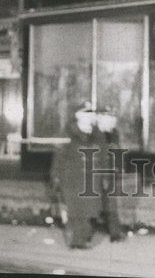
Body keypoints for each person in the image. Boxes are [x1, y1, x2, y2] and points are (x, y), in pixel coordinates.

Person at [50, 102, 102, 249]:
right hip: (71, 178)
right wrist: (55, 176)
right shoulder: (68, 133)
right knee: (76, 210)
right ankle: (77, 241)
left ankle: (81, 237)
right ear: (78, 115)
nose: (91, 116)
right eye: (87, 113)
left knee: (90, 210)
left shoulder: (96, 134)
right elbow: (58, 158)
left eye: (92, 113)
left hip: (91, 179)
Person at [93, 107, 124, 241]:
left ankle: (115, 233)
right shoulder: (93, 134)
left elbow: (117, 152)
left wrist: (118, 168)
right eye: (109, 118)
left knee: (111, 204)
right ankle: (85, 233)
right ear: (100, 118)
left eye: (113, 118)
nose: (113, 121)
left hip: (110, 174)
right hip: (95, 174)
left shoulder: (114, 133)